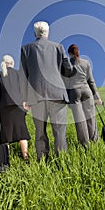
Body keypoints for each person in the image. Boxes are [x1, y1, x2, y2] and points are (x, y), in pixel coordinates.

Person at [19, 21, 73, 162]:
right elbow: (68, 70)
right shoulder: (58, 47)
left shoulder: (25, 50)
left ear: (35, 34)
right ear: (47, 32)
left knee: (40, 132)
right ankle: (62, 162)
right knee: (59, 131)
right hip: (57, 94)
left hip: (36, 96)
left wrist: (25, 98)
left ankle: (43, 161)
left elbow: (23, 76)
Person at [0, 55, 30, 161]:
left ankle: (6, 160)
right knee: (22, 133)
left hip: (4, 108)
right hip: (18, 107)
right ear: (12, 63)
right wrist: (26, 103)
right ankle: (26, 158)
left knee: (5, 136)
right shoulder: (18, 74)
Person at [66, 44, 102, 147]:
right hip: (87, 91)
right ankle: (95, 141)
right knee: (91, 117)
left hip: (74, 92)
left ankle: (85, 144)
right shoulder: (86, 63)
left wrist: (68, 99)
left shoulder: (67, 65)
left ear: (69, 53)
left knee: (80, 119)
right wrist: (97, 97)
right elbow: (91, 81)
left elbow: (66, 84)